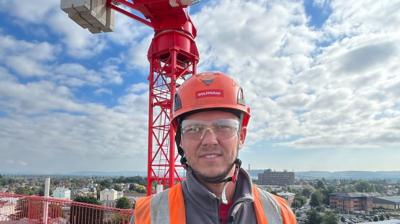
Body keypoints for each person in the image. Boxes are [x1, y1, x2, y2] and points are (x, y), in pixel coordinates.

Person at [133, 72, 297, 224]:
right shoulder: (145, 216)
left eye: (224, 127)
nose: (209, 141)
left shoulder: (281, 214)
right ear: (180, 140)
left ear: (241, 136)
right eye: (194, 129)